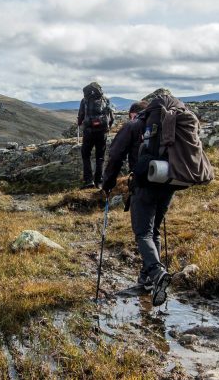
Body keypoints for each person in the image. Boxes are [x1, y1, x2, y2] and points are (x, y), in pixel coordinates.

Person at [101, 95, 185, 306]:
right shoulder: (169, 124)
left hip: (144, 184)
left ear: (134, 113)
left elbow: (115, 156)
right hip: (169, 182)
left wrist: (107, 184)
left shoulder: (133, 125)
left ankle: (157, 273)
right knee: (154, 230)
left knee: (143, 232)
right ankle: (147, 280)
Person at [77, 82, 114, 189]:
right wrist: (108, 128)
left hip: (88, 133)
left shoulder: (84, 101)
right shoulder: (106, 100)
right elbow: (111, 117)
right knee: (100, 157)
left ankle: (88, 180)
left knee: (85, 155)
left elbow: (81, 116)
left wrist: (80, 122)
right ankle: (99, 181)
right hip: (102, 132)